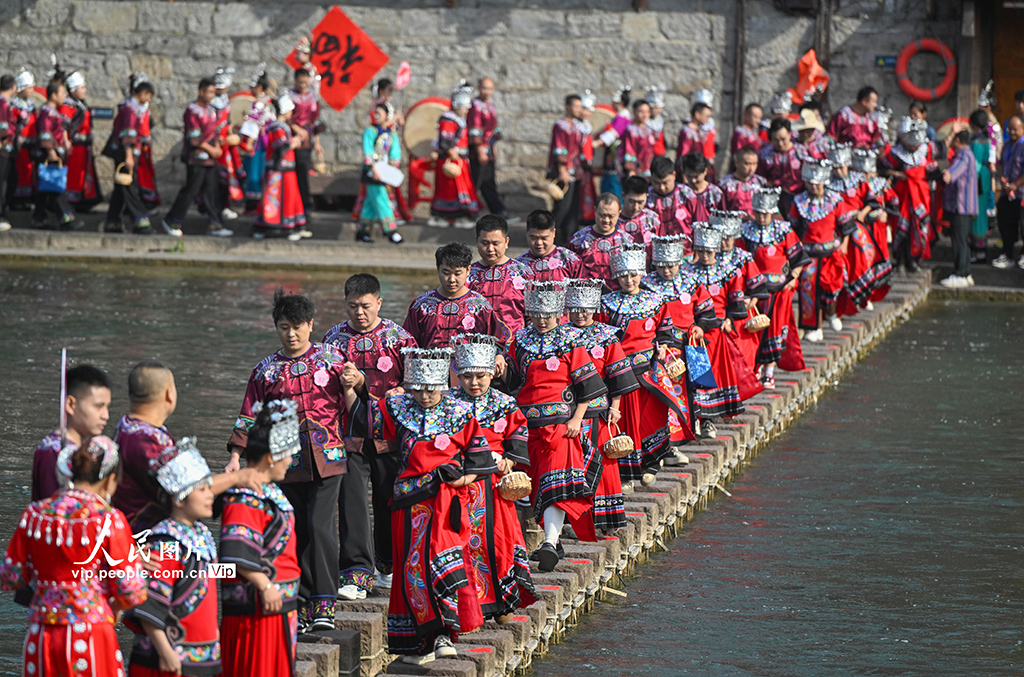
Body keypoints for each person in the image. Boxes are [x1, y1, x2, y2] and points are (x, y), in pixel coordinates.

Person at [343, 348, 494, 664]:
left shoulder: (460, 412)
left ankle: (443, 635)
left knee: (439, 563)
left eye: (431, 389)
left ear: (442, 384)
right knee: (411, 571)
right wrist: (352, 387)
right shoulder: (397, 407)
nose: (425, 396)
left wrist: (459, 482)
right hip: (407, 505)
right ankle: (418, 644)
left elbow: (480, 461)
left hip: (445, 504)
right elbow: (363, 419)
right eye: (418, 389)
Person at [226, 291, 348, 632]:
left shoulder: (332, 359)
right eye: (284, 327)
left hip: (329, 457)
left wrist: (359, 384)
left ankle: (325, 601)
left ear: (311, 325)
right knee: (295, 528)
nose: (291, 334)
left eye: (297, 327)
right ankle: (303, 600)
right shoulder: (265, 372)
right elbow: (248, 415)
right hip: (285, 463)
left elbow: (355, 399)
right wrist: (237, 456)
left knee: (321, 525)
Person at [2, 436, 148, 677]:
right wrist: (112, 607)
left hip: (42, 633)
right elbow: (131, 590)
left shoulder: (35, 515)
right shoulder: (109, 520)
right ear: (110, 481)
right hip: (90, 634)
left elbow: (11, 577)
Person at [323, 273, 417, 599]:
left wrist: (396, 394)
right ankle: (356, 573)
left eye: (365, 306)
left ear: (379, 302)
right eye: (352, 306)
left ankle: (387, 567)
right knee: (352, 504)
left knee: (388, 502)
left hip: (390, 435)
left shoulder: (400, 339)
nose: (359, 313)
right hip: (348, 436)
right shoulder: (333, 340)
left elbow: (418, 387)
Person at [503, 281, 607, 570]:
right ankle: (553, 541)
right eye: (537, 313)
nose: (543, 319)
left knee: (555, 482)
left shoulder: (571, 340)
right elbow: (513, 381)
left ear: (559, 312)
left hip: (560, 425)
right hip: (526, 425)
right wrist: (501, 367)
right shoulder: (521, 340)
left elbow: (587, 384)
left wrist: (577, 418)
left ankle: (549, 542)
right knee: (531, 484)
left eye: (548, 313)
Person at [112, 360, 261, 533]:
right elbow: (191, 489)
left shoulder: (126, 426)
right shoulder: (148, 440)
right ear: (169, 394)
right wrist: (238, 477)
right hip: (148, 536)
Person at [448, 334, 537, 619]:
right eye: (468, 376)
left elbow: (518, 435)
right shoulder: (448, 404)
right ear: (458, 375)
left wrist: (510, 460)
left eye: (481, 376)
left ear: (491, 374)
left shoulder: (505, 403)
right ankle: (467, 604)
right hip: (460, 484)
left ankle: (502, 603)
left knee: (498, 541)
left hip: (494, 486)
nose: (474, 383)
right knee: (460, 542)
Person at [125, 439, 221, 677]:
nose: (211, 495)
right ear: (179, 499)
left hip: (204, 657)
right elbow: (149, 603)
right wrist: (166, 651)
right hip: (170, 661)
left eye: (209, 487)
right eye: (202, 490)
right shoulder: (165, 544)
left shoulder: (201, 535)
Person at [219, 400, 301, 675]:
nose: (291, 461)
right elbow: (235, 552)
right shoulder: (245, 496)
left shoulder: (270, 490)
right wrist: (264, 586)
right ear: (270, 457)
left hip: (277, 607)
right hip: (257, 613)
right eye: (288, 454)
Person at [598, 242, 690, 487]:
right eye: (623, 275)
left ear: (641, 274)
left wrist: (661, 346)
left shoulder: (656, 301)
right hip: (621, 373)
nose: (629, 280)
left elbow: (665, 331)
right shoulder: (607, 304)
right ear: (616, 276)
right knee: (626, 422)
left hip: (650, 372)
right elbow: (601, 338)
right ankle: (626, 474)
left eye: (633, 274)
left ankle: (650, 464)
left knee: (652, 417)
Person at [565, 278, 639, 529]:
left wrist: (615, 406)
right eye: (575, 308)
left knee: (601, 460)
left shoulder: (607, 335)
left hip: (598, 410)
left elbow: (617, 373)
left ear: (595, 307)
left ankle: (604, 516)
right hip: (568, 409)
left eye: (586, 308)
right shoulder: (560, 336)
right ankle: (574, 516)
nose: (581, 314)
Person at [637, 235, 709, 453]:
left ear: (679, 262)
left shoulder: (692, 282)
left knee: (697, 388)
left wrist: (700, 326)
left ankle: (702, 423)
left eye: (671, 266)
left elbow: (706, 312)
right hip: (662, 349)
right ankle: (670, 443)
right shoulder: (646, 285)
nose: (666, 270)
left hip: (691, 345)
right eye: (661, 266)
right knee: (669, 395)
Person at [677, 226, 747, 438]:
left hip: (715, 333)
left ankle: (709, 420)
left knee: (712, 376)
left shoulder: (729, 270)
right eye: (702, 250)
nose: (706, 255)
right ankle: (695, 418)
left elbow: (736, 302)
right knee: (692, 376)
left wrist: (728, 319)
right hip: (692, 334)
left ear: (717, 249)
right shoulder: (686, 273)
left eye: (710, 251)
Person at [739, 188, 810, 388]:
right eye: (758, 213)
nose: (762, 217)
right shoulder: (746, 231)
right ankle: (755, 369)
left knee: (774, 329)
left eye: (766, 213)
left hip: (779, 291)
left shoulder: (784, 230)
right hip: (755, 292)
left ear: (773, 211)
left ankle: (769, 372)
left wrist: (793, 277)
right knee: (754, 329)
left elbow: (799, 259)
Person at [162, 77, 233, 238]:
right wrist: (210, 148)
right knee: (191, 190)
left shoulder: (212, 110)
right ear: (201, 92)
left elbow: (212, 131)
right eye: (209, 92)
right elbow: (193, 136)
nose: (212, 96)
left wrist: (218, 141)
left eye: (214, 93)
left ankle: (216, 223)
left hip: (210, 158)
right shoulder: (192, 111)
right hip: (197, 157)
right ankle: (172, 220)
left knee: (211, 191)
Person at [32, 364, 111, 502]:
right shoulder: (54, 452)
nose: (105, 415)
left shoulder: (83, 446)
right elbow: (56, 510)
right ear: (70, 404)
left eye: (107, 406)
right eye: (99, 406)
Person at [789, 159, 849, 342]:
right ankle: (814, 327)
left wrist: (845, 243)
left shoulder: (836, 200)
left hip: (831, 253)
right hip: (808, 255)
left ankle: (832, 314)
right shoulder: (799, 201)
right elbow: (792, 228)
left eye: (817, 183)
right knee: (809, 291)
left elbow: (846, 225)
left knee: (832, 288)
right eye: (810, 183)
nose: (813, 186)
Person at [405, 242, 504, 348]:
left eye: (457, 274)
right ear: (438, 269)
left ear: (468, 270)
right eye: (446, 273)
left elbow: (497, 342)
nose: (451, 280)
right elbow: (408, 344)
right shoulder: (421, 305)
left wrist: (499, 356)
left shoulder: (481, 306)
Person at [712, 209, 769, 372]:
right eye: (721, 238)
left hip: (742, 311)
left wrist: (753, 301)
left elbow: (756, 284)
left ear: (735, 237)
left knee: (745, 350)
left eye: (728, 238)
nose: (724, 242)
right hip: (721, 312)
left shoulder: (743, 257)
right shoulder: (711, 258)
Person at [881, 116, 938, 272]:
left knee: (918, 228)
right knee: (901, 228)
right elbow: (884, 170)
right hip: (902, 196)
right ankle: (899, 261)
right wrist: (898, 175)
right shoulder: (895, 153)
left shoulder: (926, 150)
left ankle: (914, 261)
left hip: (920, 196)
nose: (914, 148)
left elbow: (933, 168)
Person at [468, 214, 536, 337]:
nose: (490, 249)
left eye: (495, 243)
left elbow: (532, 316)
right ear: (476, 241)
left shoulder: (523, 273)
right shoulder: (468, 274)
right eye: (485, 243)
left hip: (515, 345)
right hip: (477, 346)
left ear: (506, 242)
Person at [103, 76, 155, 234]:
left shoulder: (135, 108)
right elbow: (128, 134)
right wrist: (129, 156)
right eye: (149, 96)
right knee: (129, 187)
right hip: (125, 152)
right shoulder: (130, 109)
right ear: (143, 94)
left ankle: (112, 221)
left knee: (120, 187)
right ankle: (140, 221)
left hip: (130, 151)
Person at [253, 94, 305, 241]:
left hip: (285, 170)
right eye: (290, 111)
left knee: (288, 197)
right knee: (278, 198)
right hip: (278, 170)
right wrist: (293, 143)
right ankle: (279, 227)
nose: (291, 114)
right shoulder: (276, 127)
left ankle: (287, 225)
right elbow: (280, 146)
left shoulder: (281, 127)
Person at [428, 82, 478, 229]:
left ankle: (460, 216)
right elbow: (446, 140)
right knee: (450, 190)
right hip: (451, 160)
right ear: (457, 105)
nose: (466, 110)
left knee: (461, 189)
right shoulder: (448, 118)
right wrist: (451, 152)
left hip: (460, 160)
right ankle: (442, 216)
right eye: (465, 107)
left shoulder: (459, 119)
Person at [32, 77, 78, 231]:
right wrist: (51, 151)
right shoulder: (47, 112)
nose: (64, 96)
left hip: (53, 154)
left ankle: (39, 218)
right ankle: (66, 217)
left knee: (44, 190)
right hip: (48, 155)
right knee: (54, 186)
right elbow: (45, 133)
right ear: (53, 95)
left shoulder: (53, 112)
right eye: (62, 93)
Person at [358, 101, 404, 244]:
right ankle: (391, 230)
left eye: (379, 113)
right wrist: (373, 167)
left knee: (371, 204)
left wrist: (392, 167)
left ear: (386, 115)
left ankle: (363, 232)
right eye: (375, 113)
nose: (376, 116)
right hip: (373, 172)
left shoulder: (391, 133)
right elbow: (368, 150)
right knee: (381, 199)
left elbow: (395, 151)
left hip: (384, 172)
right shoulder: (370, 131)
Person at [57, 70, 102, 212]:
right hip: (75, 148)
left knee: (84, 175)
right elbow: (64, 125)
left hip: (84, 148)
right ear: (74, 89)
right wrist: (66, 142)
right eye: (82, 88)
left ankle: (83, 201)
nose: (85, 90)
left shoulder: (80, 104)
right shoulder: (67, 105)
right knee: (74, 175)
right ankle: (71, 202)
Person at [567, 192, 632, 288]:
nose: (606, 220)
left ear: (619, 213)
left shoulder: (627, 241)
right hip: (585, 296)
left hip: (616, 297)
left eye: (611, 216)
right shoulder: (578, 240)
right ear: (595, 210)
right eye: (602, 215)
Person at [939, 130, 979, 288]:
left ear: (957, 139)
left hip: (961, 205)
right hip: (965, 205)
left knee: (959, 240)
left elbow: (955, 170)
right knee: (963, 240)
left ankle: (960, 273)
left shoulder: (963, 154)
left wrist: (948, 174)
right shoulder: (968, 153)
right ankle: (966, 272)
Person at [467, 77, 507, 218]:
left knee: (488, 180)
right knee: (475, 180)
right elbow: (475, 129)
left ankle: (497, 210)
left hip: (488, 150)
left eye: (490, 89)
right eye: (484, 88)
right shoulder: (475, 106)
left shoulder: (491, 107)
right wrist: (479, 150)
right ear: (479, 88)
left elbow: (494, 129)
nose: (487, 92)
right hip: (478, 150)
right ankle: (469, 210)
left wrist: (493, 148)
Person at [547, 93, 585, 243]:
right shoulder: (560, 125)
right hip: (564, 172)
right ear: (567, 106)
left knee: (574, 207)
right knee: (562, 207)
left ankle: (570, 237)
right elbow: (559, 148)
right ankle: (548, 235)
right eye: (575, 106)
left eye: (580, 106)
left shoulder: (578, 126)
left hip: (576, 171)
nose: (578, 109)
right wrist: (562, 168)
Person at [239, 66, 275, 214]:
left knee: (254, 171)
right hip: (268, 141)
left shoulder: (259, 103)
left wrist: (248, 142)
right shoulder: (270, 102)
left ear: (259, 87)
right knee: (262, 171)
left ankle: (253, 205)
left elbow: (253, 123)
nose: (251, 89)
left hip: (258, 142)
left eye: (252, 86)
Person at [290, 68, 323, 227]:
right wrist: (296, 129)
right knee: (291, 175)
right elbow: (285, 118)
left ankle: (304, 206)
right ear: (295, 81)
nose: (303, 85)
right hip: (291, 141)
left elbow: (315, 121)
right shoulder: (289, 97)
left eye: (305, 82)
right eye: (300, 82)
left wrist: (317, 142)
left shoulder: (312, 98)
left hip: (306, 143)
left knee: (303, 175)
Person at [211, 67, 243, 224]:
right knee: (213, 179)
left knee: (226, 177)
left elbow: (228, 123)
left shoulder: (226, 103)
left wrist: (231, 134)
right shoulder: (210, 104)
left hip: (225, 147)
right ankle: (212, 209)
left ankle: (224, 206)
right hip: (213, 144)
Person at [516, 208, 585, 282]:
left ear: (553, 233)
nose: (539, 243)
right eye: (534, 238)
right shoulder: (519, 265)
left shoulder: (570, 261)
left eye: (544, 238)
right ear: (527, 233)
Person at [757, 118, 804, 219]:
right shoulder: (764, 154)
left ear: (790, 134)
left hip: (799, 199)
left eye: (783, 139)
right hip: (774, 202)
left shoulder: (801, 152)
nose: (780, 143)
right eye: (776, 140)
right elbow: (759, 178)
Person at [994, 115, 1024, 270]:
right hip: (1007, 193)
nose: (1012, 132)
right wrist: (1003, 180)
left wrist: (1016, 184)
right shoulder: (1006, 146)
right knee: (1005, 222)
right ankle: (1008, 254)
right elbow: (1002, 165)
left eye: (1015, 129)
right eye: (1009, 129)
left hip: (1022, 193)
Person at [647, 155, 695, 244]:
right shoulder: (647, 197)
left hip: (686, 251)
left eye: (665, 183)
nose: (662, 187)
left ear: (674, 175)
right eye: (656, 183)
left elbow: (699, 221)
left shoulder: (687, 194)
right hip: (657, 252)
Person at [597, 85, 632, 200]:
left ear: (620, 102)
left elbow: (612, 134)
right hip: (614, 154)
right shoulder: (621, 116)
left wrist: (596, 143)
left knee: (613, 186)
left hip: (616, 155)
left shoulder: (622, 117)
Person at [968, 109, 993, 263]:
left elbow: (975, 166)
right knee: (981, 214)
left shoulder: (977, 142)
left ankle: (978, 251)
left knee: (977, 215)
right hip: (984, 177)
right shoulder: (986, 139)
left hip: (977, 180)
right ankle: (980, 250)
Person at [11, 68, 38, 210]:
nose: (32, 89)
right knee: (19, 172)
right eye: (29, 87)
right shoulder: (14, 105)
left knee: (28, 172)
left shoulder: (32, 106)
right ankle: (16, 199)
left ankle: (27, 198)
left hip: (30, 145)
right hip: (19, 146)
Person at [719, 145, 767, 217]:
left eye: (754, 164)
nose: (751, 168)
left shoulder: (761, 182)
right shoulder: (725, 184)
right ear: (737, 163)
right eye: (747, 164)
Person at [680, 152, 724, 223]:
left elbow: (723, 217)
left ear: (705, 171)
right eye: (689, 176)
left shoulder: (715, 193)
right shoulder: (681, 193)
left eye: (696, 177)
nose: (693, 180)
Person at [618, 175, 661, 247]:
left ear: (647, 197)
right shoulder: (615, 219)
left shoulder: (652, 218)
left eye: (640, 202)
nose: (635, 207)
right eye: (631, 201)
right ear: (623, 195)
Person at [619, 99, 657, 180]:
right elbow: (630, 150)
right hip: (637, 169)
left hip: (650, 168)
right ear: (634, 112)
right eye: (641, 111)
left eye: (647, 112)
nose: (645, 114)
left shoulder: (650, 129)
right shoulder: (631, 131)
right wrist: (631, 169)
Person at [676, 100, 713, 176]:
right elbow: (684, 153)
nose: (708, 119)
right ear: (697, 115)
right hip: (690, 171)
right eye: (706, 116)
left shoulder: (700, 131)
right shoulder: (687, 132)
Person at [0, 74, 16, 231]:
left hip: (8, 149)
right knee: (2, 182)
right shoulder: (2, 103)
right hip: (2, 148)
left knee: (10, 181)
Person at [645, 85, 668, 158]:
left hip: (659, 153)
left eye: (659, 108)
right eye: (656, 108)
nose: (659, 110)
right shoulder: (644, 122)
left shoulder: (660, 120)